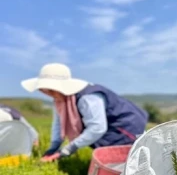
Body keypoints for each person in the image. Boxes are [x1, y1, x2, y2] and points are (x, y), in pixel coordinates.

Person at [21, 63, 149, 159]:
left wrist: (68, 149)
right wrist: (54, 147)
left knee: (126, 160)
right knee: (110, 159)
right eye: (43, 90)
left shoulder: (87, 98)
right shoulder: (59, 100)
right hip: (107, 129)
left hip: (125, 128)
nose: (47, 93)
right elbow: (58, 124)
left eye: (49, 89)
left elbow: (97, 128)